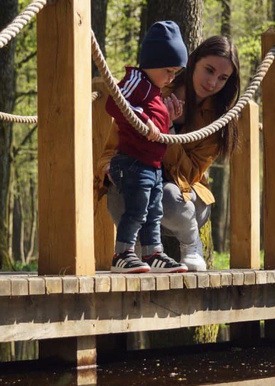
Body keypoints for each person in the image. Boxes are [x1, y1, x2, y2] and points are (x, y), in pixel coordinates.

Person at [96, 36, 241, 272]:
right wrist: (107, 167)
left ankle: (191, 243)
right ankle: (140, 254)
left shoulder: (220, 119)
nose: (213, 82)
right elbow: (114, 143)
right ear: (194, 63)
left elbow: (189, 173)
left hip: (185, 197)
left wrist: (167, 130)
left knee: (167, 194)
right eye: (209, 70)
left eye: (223, 78)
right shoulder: (154, 89)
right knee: (119, 192)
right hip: (142, 182)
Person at [103, 21, 189, 274]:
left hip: (152, 166)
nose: (171, 78)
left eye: (175, 73)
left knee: (154, 211)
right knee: (138, 209)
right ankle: (123, 253)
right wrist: (145, 120)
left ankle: (153, 252)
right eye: (168, 70)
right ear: (151, 62)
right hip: (132, 162)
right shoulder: (136, 80)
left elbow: (154, 129)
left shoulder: (154, 90)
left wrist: (168, 119)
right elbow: (115, 104)